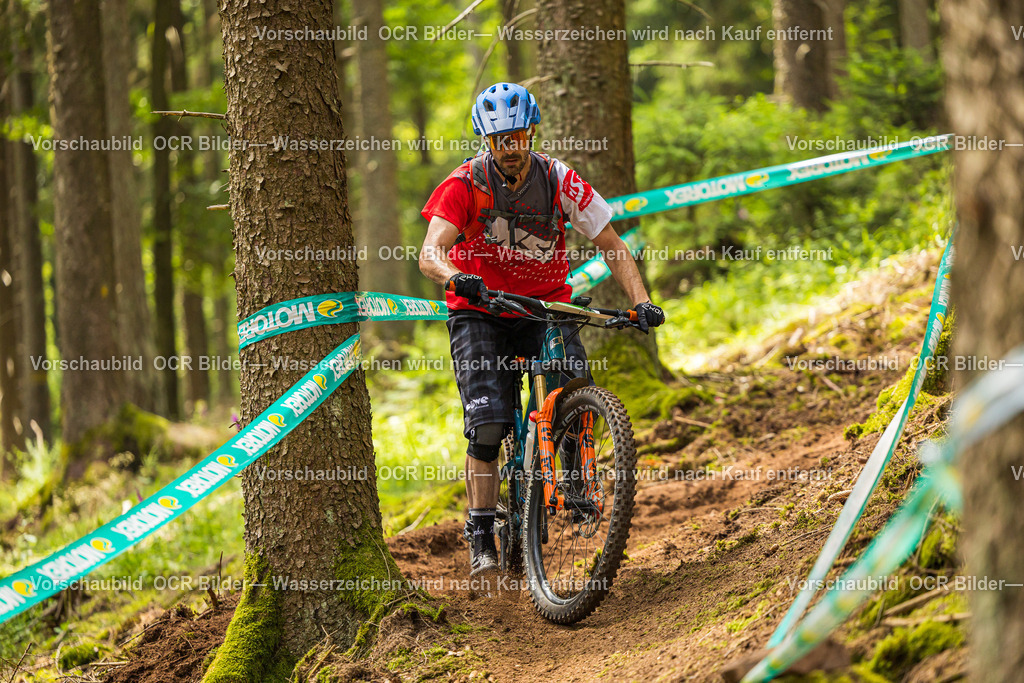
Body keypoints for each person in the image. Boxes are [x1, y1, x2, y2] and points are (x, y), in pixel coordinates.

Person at [419, 82, 664, 575]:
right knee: (488, 426)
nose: (509, 148)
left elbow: (612, 244)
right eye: (499, 140)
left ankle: (573, 481)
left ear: (531, 133)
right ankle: (481, 531)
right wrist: (456, 278)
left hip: (545, 306)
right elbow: (430, 253)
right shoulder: (464, 184)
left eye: (516, 137)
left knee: (574, 386)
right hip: (481, 309)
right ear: (486, 141)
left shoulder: (558, 179)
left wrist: (641, 303)